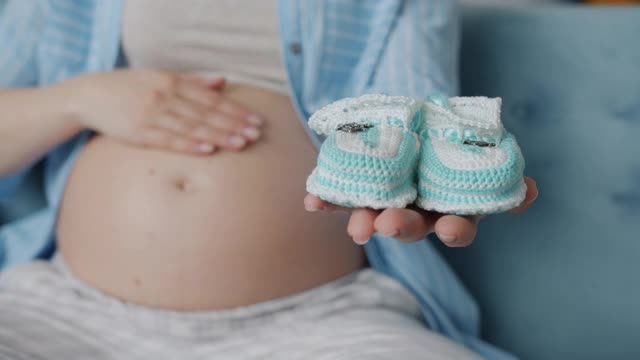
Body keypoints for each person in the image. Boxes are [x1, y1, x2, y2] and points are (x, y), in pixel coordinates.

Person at [0, 1, 537, 359]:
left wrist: (428, 194)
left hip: (323, 323)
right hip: (62, 311)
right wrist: (76, 100)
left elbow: (421, 114)